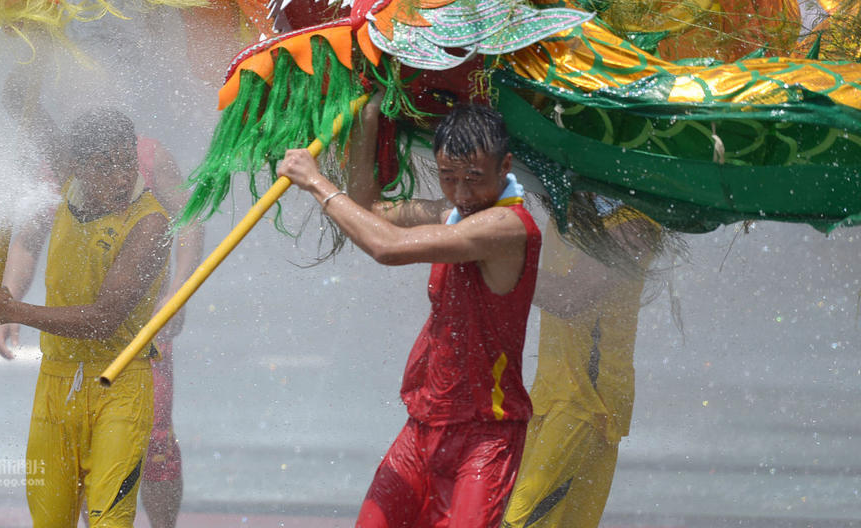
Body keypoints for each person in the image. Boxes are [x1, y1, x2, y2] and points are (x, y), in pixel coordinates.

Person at [276, 100, 541, 528]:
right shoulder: (449, 214)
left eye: (474, 179)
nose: (461, 194)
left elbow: (388, 248)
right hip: (422, 427)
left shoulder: (508, 228)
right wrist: (367, 120)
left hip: (485, 438)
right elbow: (368, 210)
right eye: (448, 178)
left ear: (504, 165)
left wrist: (316, 182)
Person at [0, 103, 203, 528]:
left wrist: (178, 291)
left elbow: (191, 215)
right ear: (78, 165)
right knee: (58, 508)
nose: (124, 176)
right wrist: (9, 302)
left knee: (153, 446)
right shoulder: (64, 175)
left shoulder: (149, 204)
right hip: (62, 375)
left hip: (131, 355)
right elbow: (28, 237)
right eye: (107, 166)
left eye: (127, 163)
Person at [501, 195, 660, 528]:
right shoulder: (573, 204)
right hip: (549, 398)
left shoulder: (635, 222)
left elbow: (570, 296)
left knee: (515, 522)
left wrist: (486, 261)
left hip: (588, 405)